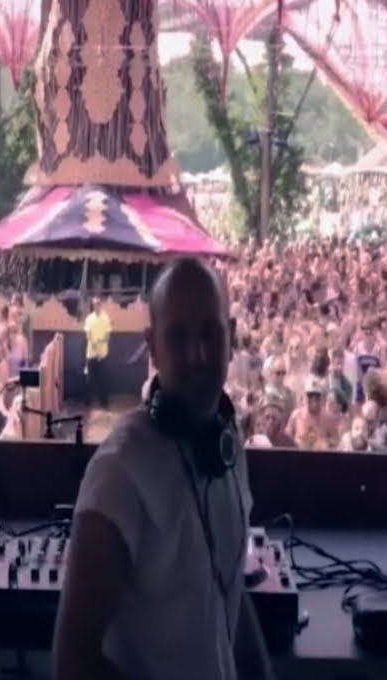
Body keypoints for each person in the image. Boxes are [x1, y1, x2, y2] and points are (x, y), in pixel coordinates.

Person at [53, 258, 272, 680]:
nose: (198, 355)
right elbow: (72, 664)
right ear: (152, 347)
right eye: (178, 336)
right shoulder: (119, 473)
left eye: (210, 333)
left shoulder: (225, 443)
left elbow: (229, 588)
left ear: (231, 336)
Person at [83, 296, 112, 410]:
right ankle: (87, 402)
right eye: (95, 304)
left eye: (98, 303)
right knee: (89, 379)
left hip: (103, 354)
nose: (96, 306)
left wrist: (100, 341)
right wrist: (94, 344)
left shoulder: (106, 317)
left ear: (101, 304)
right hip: (91, 354)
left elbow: (108, 335)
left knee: (103, 378)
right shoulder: (89, 318)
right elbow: (88, 335)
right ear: (93, 305)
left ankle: (104, 402)